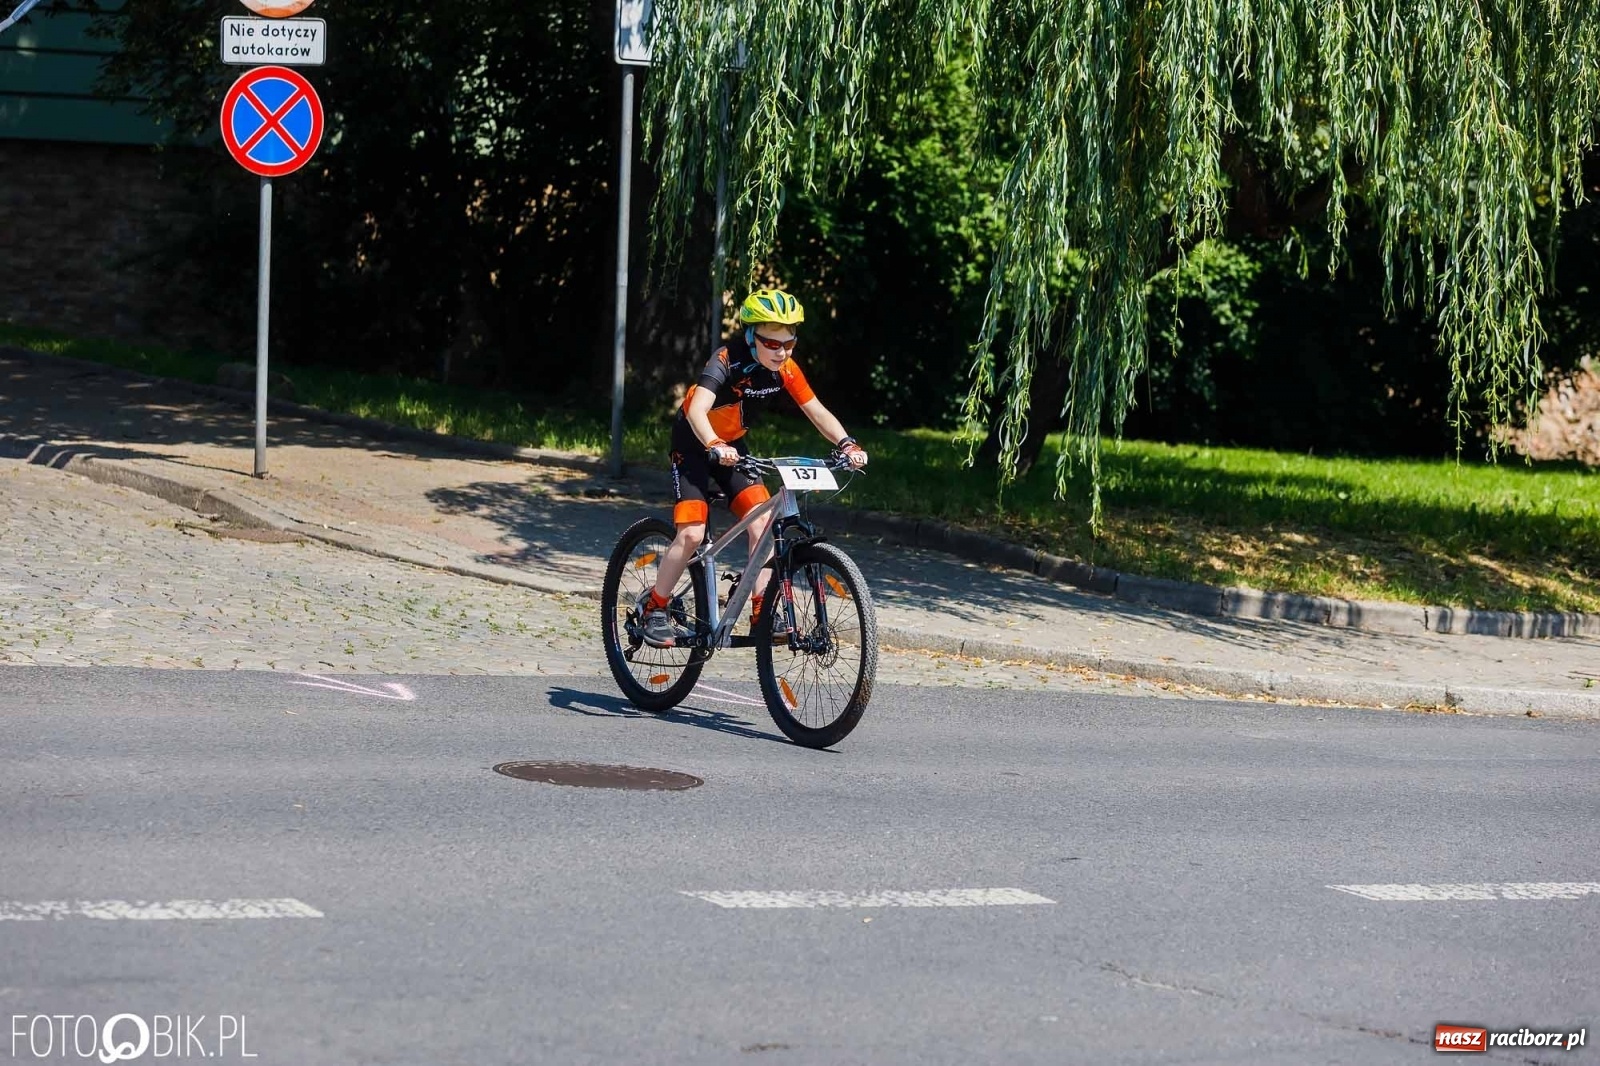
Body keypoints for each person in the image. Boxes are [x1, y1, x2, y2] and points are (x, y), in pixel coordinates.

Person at [638, 288, 868, 647]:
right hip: (695, 444)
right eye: (772, 344)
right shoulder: (726, 360)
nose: (782, 352)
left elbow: (816, 410)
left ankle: (761, 607)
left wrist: (847, 443)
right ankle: (655, 607)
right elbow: (698, 410)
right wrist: (713, 443)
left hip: (732, 447)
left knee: (763, 522)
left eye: (789, 344)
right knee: (693, 534)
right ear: (752, 336)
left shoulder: (786, 369)